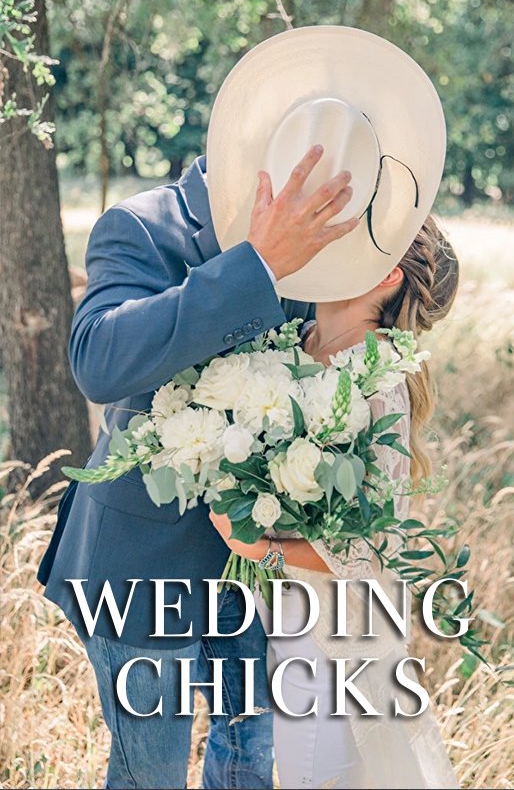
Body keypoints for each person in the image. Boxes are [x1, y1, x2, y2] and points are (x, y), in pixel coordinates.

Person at [36, 142, 358, 790]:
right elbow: (98, 362)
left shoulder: (318, 245)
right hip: (140, 565)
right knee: (148, 773)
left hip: (257, 561)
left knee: (249, 753)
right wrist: (258, 266)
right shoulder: (141, 225)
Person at [210, 212, 461, 789]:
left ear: (387, 277)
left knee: (316, 775)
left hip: (335, 632)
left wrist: (259, 547)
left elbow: (375, 547)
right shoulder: (294, 340)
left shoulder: (380, 378)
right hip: (273, 615)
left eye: (354, 242)